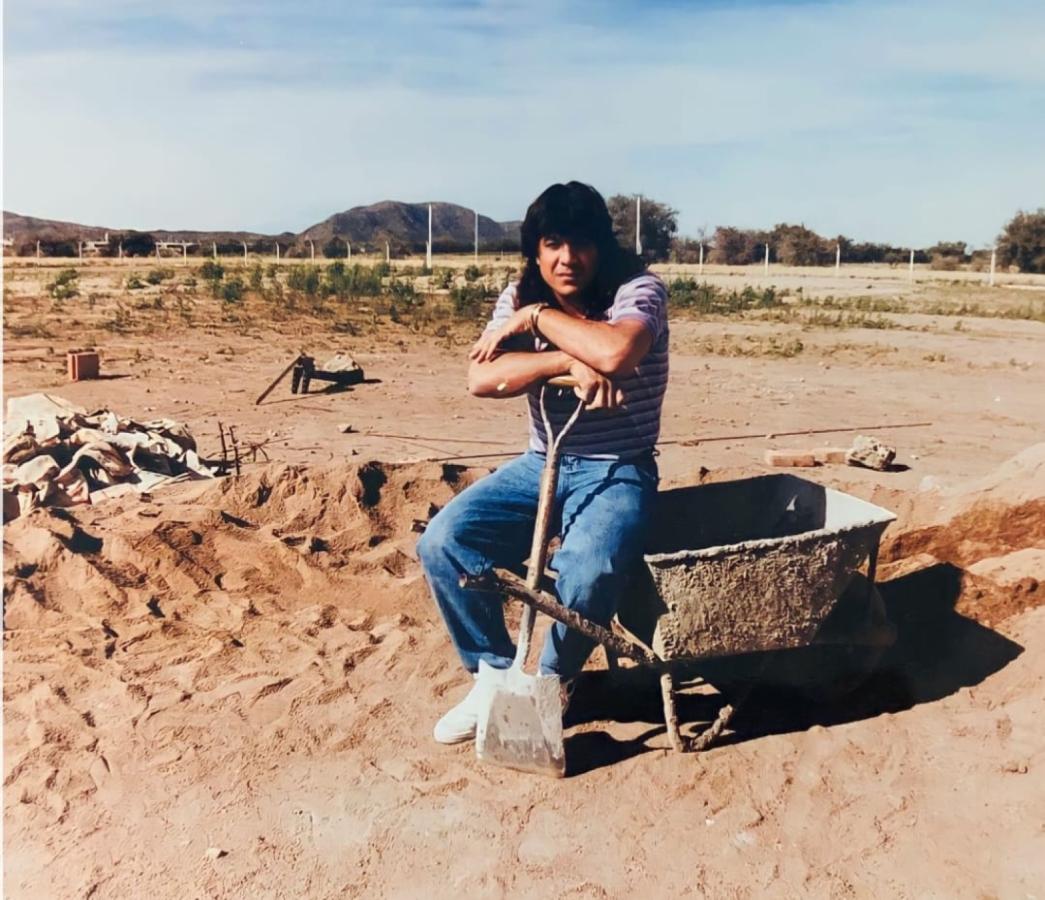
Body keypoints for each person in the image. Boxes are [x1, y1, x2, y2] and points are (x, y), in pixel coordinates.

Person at [416, 181, 669, 744]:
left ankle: (551, 686)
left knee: (588, 570)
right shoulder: (517, 292)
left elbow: (615, 352)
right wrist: (561, 364)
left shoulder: (638, 290)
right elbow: (480, 377)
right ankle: (493, 677)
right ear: (535, 249)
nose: (566, 258)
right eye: (552, 243)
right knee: (445, 541)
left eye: (579, 243)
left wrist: (535, 320)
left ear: (601, 246)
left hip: (618, 466)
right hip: (542, 460)